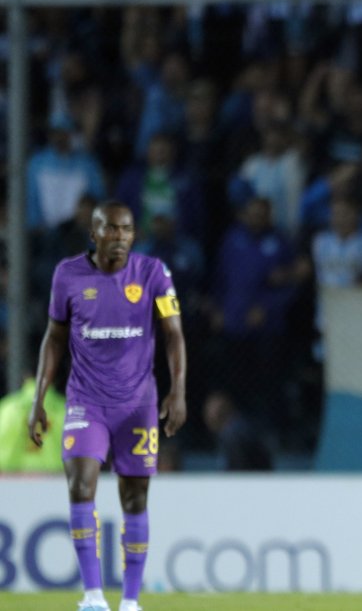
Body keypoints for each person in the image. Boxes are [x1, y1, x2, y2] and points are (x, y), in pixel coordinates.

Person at [26, 200, 187, 611]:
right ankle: (94, 597)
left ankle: (130, 601)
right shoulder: (68, 275)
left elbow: (173, 335)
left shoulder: (154, 273)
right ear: (93, 233)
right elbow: (55, 337)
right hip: (87, 402)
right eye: (111, 229)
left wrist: (178, 391)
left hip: (138, 404)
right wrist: (39, 398)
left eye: (127, 229)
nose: (120, 237)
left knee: (135, 499)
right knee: (81, 487)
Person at [0, 375, 65, 473]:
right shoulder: (66, 408)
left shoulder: (6, 407)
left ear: (26, 377)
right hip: (57, 480)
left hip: (9, 481)